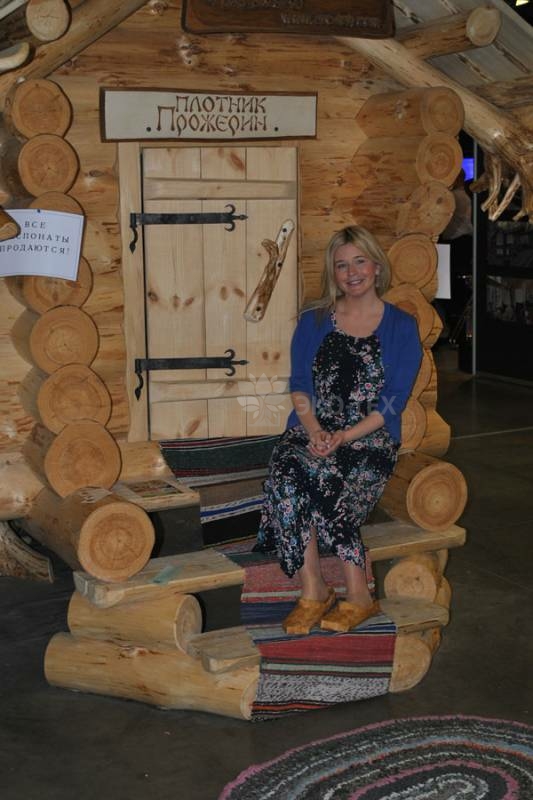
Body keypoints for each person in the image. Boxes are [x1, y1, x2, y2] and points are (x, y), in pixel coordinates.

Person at [255, 225, 422, 635]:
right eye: (342, 265)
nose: (352, 272)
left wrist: (345, 437)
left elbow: (394, 400)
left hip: (370, 436)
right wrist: (315, 431)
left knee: (323, 473)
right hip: (313, 427)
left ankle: (358, 593)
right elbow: (299, 385)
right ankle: (314, 589)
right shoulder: (312, 321)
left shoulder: (402, 326)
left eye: (360, 261)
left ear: (377, 266)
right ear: (333, 273)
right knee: (288, 468)